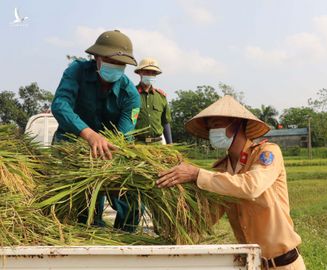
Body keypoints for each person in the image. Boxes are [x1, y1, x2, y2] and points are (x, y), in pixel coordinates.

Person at [157, 95, 306, 269]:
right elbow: (208, 216)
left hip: (283, 264)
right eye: (210, 127)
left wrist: (196, 174)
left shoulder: (266, 153)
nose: (213, 131)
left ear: (237, 124)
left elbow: (251, 187)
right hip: (252, 264)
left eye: (217, 124)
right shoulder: (222, 170)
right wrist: (171, 212)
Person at [51, 30, 142, 232]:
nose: (116, 67)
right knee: (84, 204)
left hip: (110, 150)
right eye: (110, 61)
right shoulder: (76, 72)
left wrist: (108, 154)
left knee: (132, 202)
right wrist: (89, 134)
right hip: (72, 147)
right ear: (96, 58)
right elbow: (60, 105)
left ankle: (125, 242)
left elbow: (122, 136)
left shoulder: (131, 95)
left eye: (121, 64)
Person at [134, 58, 172, 144]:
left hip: (158, 143)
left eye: (153, 73)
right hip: (137, 144)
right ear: (140, 72)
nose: (150, 74)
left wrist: (170, 145)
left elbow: (166, 122)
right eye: (147, 71)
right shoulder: (132, 94)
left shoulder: (161, 97)